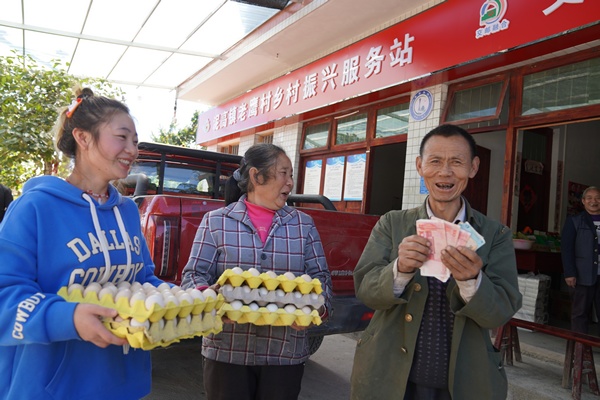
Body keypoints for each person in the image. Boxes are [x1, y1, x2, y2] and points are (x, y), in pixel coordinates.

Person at [0, 87, 165, 399]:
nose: (132, 149)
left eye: (135, 141)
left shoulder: (127, 211)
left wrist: (183, 299)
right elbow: (4, 296)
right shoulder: (34, 207)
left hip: (123, 383)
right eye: (122, 137)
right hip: (53, 387)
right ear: (83, 138)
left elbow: (141, 280)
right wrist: (68, 317)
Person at [350, 124, 522, 400]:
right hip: (389, 375)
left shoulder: (495, 234)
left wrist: (472, 282)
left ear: (473, 167)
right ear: (419, 166)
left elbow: (501, 311)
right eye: (435, 161)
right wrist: (399, 270)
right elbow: (367, 292)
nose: (445, 172)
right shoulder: (392, 224)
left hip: (465, 381)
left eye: (457, 162)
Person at [181, 143, 332, 400]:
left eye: (291, 175)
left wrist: (317, 307)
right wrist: (210, 298)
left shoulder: (303, 224)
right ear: (256, 176)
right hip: (226, 352)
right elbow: (193, 275)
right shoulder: (216, 221)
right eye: (284, 173)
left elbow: (321, 278)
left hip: (284, 354)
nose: (290, 182)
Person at [561, 186, 600, 334]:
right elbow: (567, 248)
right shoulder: (574, 221)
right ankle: (580, 351)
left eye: (597, 198)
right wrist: (569, 272)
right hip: (582, 275)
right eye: (589, 198)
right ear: (583, 201)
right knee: (580, 314)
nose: (593, 201)